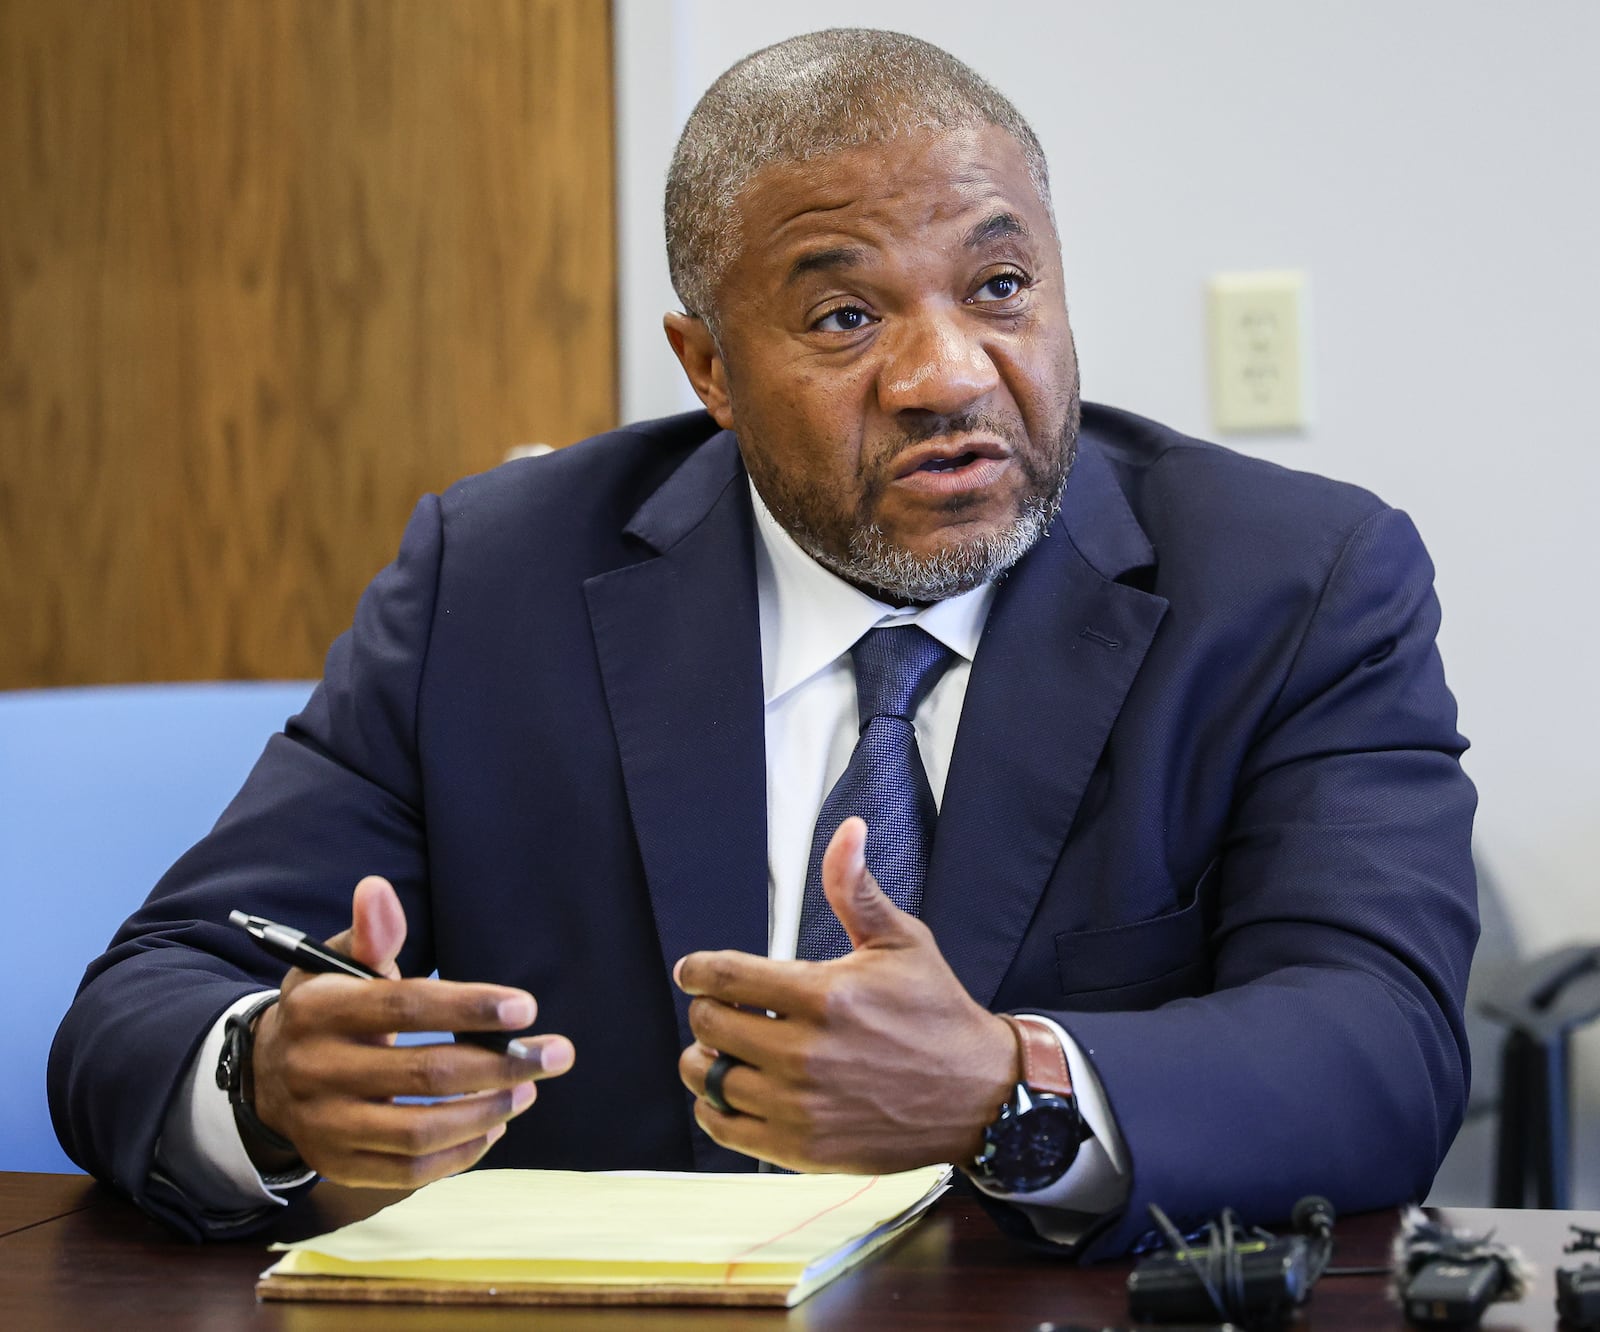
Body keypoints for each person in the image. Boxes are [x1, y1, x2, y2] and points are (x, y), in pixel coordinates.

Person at [49, 29, 1477, 1261]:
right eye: (846, 316)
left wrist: (1011, 1081)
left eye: (999, 289)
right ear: (710, 368)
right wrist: (271, 1079)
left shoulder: (1293, 584)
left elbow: (1383, 1055)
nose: (947, 377)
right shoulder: (497, 581)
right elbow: (148, 997)